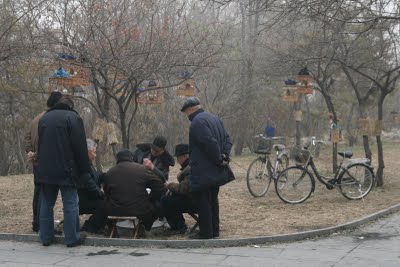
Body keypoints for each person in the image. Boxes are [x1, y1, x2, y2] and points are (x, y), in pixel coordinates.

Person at [36, 95, 91, 247]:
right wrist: (85, 170)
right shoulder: (73, 117)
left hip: (46, 170)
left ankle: (46, 238)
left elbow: (40, 145)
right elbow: (80, 146)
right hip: (67, 169)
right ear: (70, 106)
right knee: (71, 203)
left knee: (46, 203)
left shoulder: (44, 118)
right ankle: (72, 238)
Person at [180, 97, 235, 239]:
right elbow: (227, 139)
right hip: (215, 169)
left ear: (191, 109)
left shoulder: (197, 122)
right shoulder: (215, 118)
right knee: (213, 201)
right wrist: (224, 156)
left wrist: (218, 158)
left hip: (203, 169)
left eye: (186, 113)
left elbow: (208, 142)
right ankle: (214, 232)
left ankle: (206, 234)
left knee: (203, 202)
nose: (187, 116)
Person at [85, 149, 165, 235]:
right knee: (160, 205)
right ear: (131, 158)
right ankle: (144, 225)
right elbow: (159, 185)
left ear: (118, 159)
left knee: (103, 205)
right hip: (141, 209)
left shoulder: (110, 172)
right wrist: (151, 199)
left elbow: (107, 193)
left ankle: (111, 228)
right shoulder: (142, 169)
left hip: (114, 210)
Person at [24, 91, 62, 233]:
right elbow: (45, 142)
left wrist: (30, 152)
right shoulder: (49, 119)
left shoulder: (36, 118)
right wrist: (37, 154)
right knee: (45, 196)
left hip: (36, 162)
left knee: (38, 193)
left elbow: (27, 138)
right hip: (46, 162)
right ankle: (43, 225)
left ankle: (36, 223)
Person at [160, 144, 197, 235]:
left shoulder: (190, 169)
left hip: (195, 202)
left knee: (166, 201)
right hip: (194, 198)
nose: (177, 160)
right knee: (169, 198)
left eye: (178, 157)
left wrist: (169, 186)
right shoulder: (191, 166)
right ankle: (178, 226)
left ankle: (178, 227)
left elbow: (183, 189)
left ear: (185, 156)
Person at [78, 139, 104, 228]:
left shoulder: (88, 164)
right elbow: (90, 184)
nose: (95, 154)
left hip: (88, 197)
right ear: (87, 151)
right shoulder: (83, 165)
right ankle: (91, 226)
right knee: (104, 204)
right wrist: (102, 195)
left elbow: (96, 177)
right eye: (94, 152)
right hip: (83, 200)